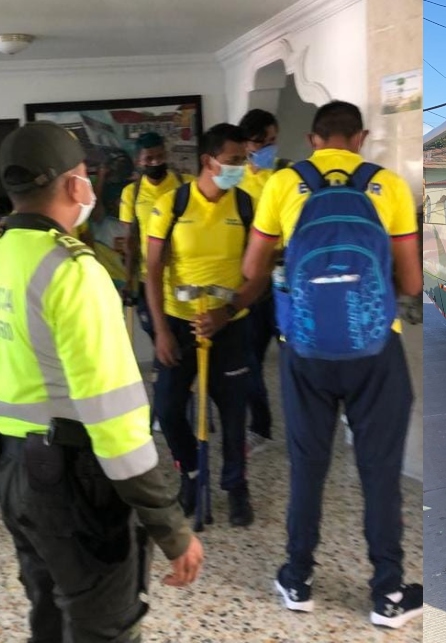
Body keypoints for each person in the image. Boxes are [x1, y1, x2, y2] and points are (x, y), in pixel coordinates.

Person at [0, 121, 205, 641]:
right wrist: (172, 527)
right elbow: (114, 421)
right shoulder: (72, 271)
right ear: (76, 186)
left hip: (15, 475)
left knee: (48, 609)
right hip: (72, 484)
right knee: (103, 626)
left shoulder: (5, 257)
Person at [239, 100, 425, 628]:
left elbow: (254, 267)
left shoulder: (282, 184)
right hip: (376, 351)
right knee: (380, 473)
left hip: (305, 349)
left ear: (314, 139)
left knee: (308, 465)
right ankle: (387, 594)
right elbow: (412, 284)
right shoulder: (386, 186)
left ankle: (297, 579)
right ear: (359, 137)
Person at [146, 123, 258, 528]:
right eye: (233, 160)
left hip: (231, 325)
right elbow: (153, 270)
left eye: (243, 159)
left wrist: (226, 313)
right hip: (180, 325)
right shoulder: (171, 205)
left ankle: (235, 484)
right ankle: (190, 473)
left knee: (232, 412)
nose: (240, 167)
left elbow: (258, 272)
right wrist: (160, 331)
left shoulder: (245, 206)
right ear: (208, 161)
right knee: (168, 407)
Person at [238, 108, 285, 451]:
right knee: (250, 361)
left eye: (272, 140)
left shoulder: (285, 178)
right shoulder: (235, 181)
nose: (268, 147)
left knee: (294, 360)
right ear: (245, 144)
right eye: (261, 141)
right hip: (250, 284)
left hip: (285, 280)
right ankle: (261, 427)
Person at [120, 132, 186, 343]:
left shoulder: (186, 184)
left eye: (160, 156)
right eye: (149, 158)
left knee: (184, 337)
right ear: (139, 161)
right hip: (148, 278)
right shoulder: (132, 193)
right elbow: (130, 241)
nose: (156, 162)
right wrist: (128, 281)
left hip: (181, 277)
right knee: (157, 334)